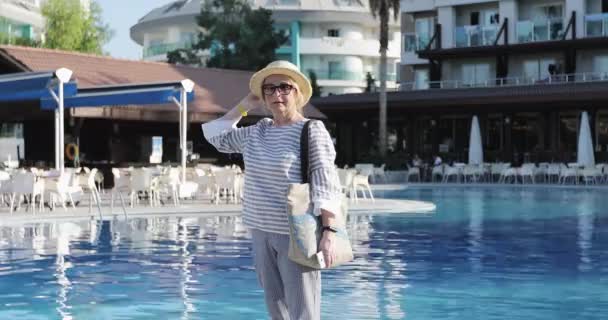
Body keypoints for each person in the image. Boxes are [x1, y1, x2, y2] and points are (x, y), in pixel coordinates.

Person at [201, 60, 342, 319]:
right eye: (269, 89)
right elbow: (215, 135)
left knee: (303, 311)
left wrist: (329, 233)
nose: (277, 94)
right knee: (276, 309)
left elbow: (326, 183)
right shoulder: (258, 131)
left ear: (297, 92)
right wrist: (246, 104)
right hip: (260, 231)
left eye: (285, 87)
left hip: (296, 232)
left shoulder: (312, 130)